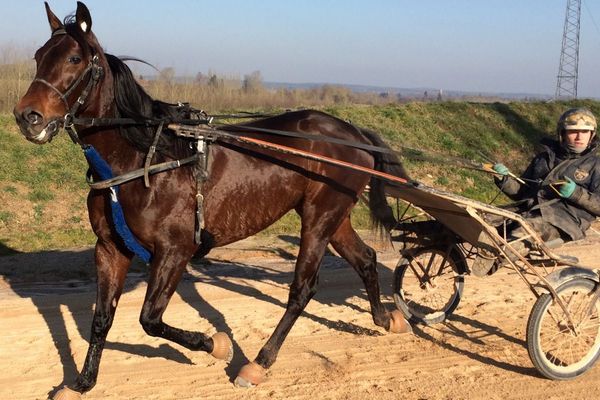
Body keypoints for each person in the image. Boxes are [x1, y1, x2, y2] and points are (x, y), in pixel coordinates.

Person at [472, 107, 600, 276]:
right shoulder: (542, 158)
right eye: (573, 131)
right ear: (562, 133)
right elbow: (522, 192)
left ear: (592, 135)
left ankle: (494, 261)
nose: (579, 137)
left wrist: (575, 193)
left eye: (584, 132)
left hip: (563, 222)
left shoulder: (595, 165)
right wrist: (504, 179)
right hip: (528, 209)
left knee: (525, 231)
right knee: (480, 216)